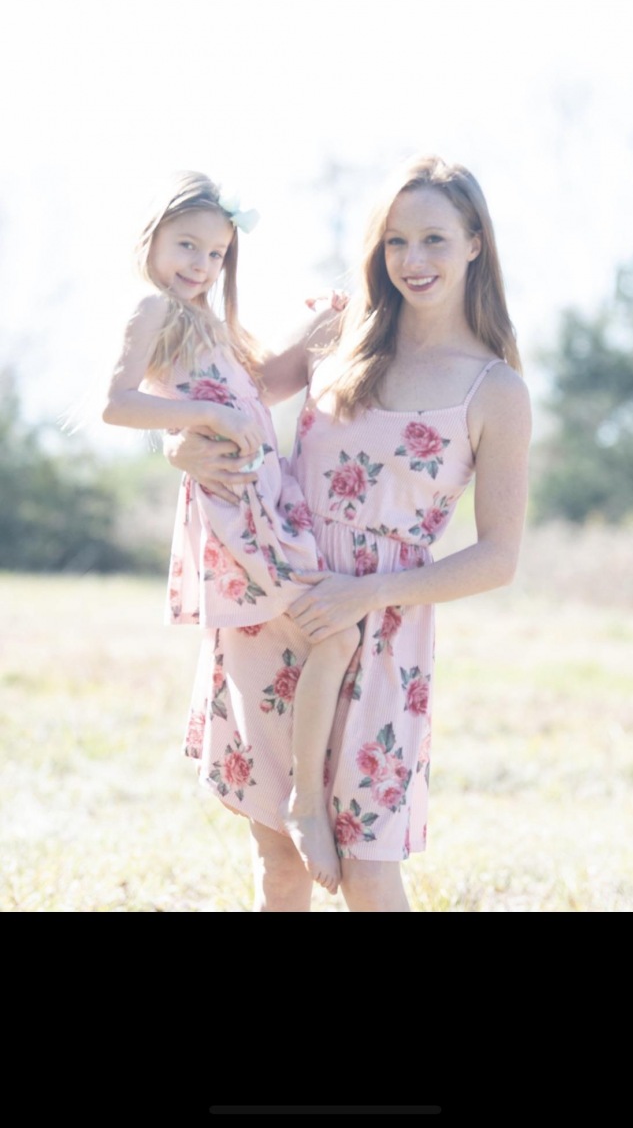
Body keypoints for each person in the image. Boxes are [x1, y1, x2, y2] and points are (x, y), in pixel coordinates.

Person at [163, 153, 532, 913]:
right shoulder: (340, 330)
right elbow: (229, 405)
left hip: (382, 629)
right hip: (279, 597)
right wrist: (177, 444)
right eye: (396, 241)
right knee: (280, 863)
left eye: (433, 239)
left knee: (367, 870)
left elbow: (498, 558)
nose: (412, 259)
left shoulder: (495, 388)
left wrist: (366, 593)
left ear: (475, 243)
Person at [102, 172, 361, 893]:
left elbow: (258, 387)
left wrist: (319, 323)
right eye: (187, 245)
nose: (201, 264)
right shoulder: (152, 307)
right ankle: (304, 797)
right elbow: (116, 404)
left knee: (332, 634)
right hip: (236, 511)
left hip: (265, 507)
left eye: (216, 253)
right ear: (152, 240)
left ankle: (302, 792)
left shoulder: (204, 322)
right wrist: (204, 419)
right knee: (335, 632)